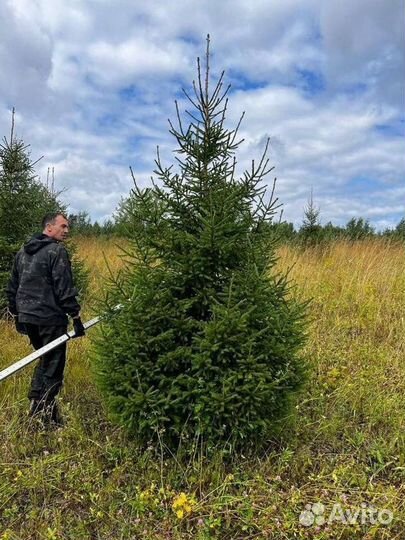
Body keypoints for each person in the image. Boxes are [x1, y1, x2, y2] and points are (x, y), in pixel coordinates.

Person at [6, 213, 85, 426]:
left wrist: (16, 313)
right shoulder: (56, 251)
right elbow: (64, 288)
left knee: (45, 359)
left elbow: (12, 286)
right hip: (49, 318)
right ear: (49, 228)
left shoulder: (23, 251)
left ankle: (38, 405)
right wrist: (76, 317)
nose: (67, 230)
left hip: (28, 319)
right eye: (63, 226)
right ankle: (43, 418)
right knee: (53, 366)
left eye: (67, 227)